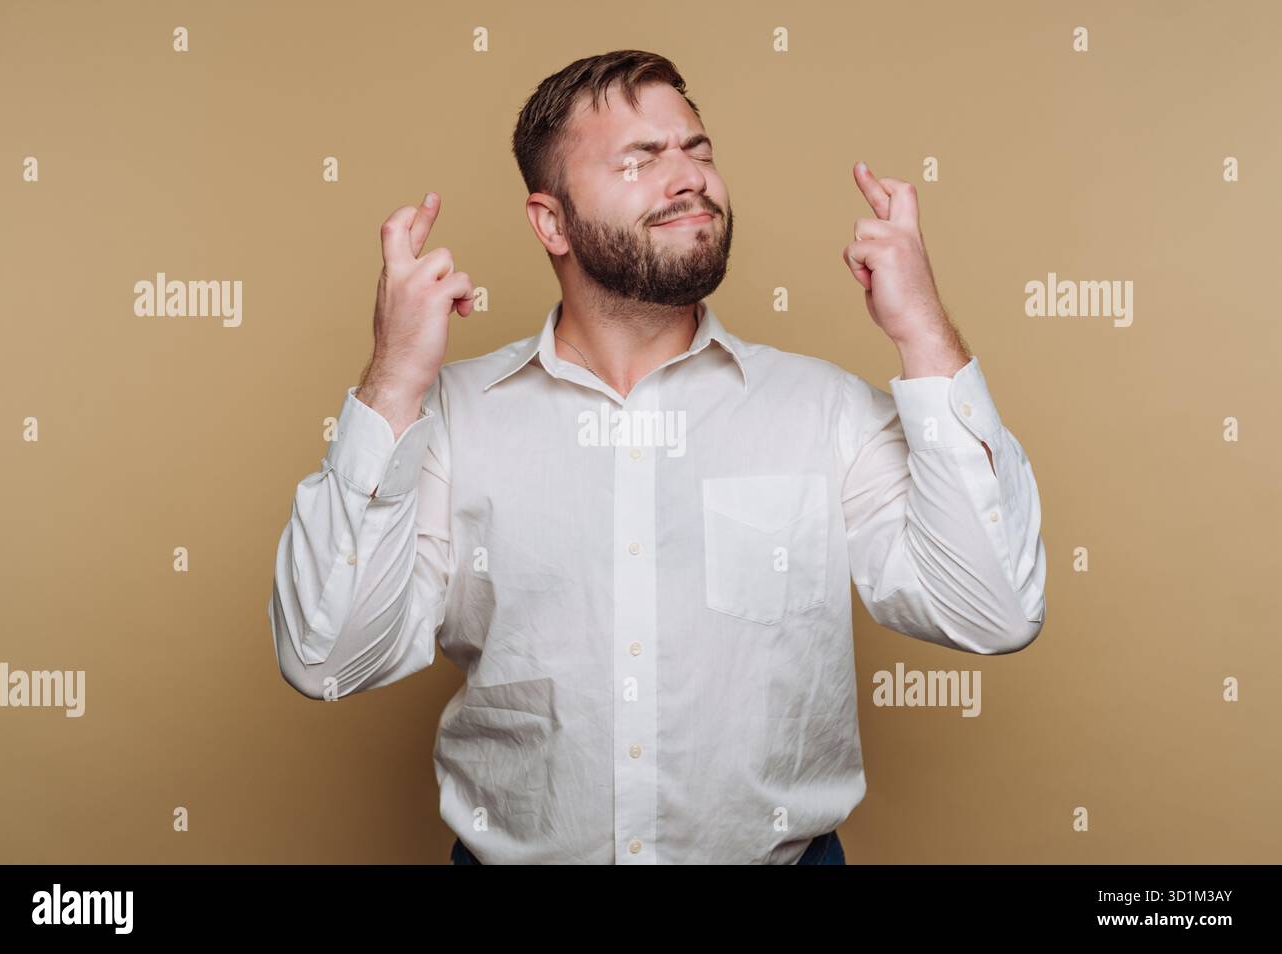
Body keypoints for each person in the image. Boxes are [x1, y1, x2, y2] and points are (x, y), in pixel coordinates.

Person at [268, 50, 1047, 865]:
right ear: (552, 223)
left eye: (697, 150)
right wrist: (393, 377)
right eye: (640, 159)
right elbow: (325, 658)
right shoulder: (452, 420)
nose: (689, 179)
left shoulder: (824, 411)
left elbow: (994, 612)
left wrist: (923, 331)